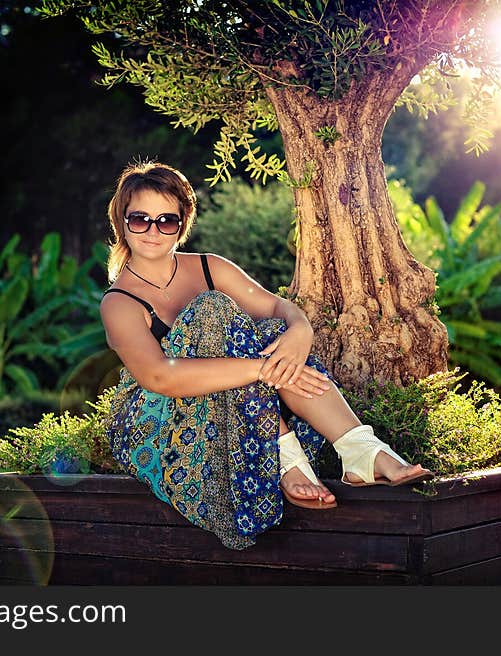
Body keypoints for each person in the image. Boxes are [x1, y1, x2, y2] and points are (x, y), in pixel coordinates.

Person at [99, 161, 433, 550]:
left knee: (274, 332)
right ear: (121, 222)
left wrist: (300, 331)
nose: (153, 231)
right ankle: (288, 458)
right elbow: (159, 378)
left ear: (182, 224)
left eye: (166, 221)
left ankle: (358, 450)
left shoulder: (210, 267)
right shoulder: (119, 303)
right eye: (140, 219)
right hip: (159, 420)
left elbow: (279, 309)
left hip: (237, 402)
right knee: (212, 312)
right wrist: (260, 368)